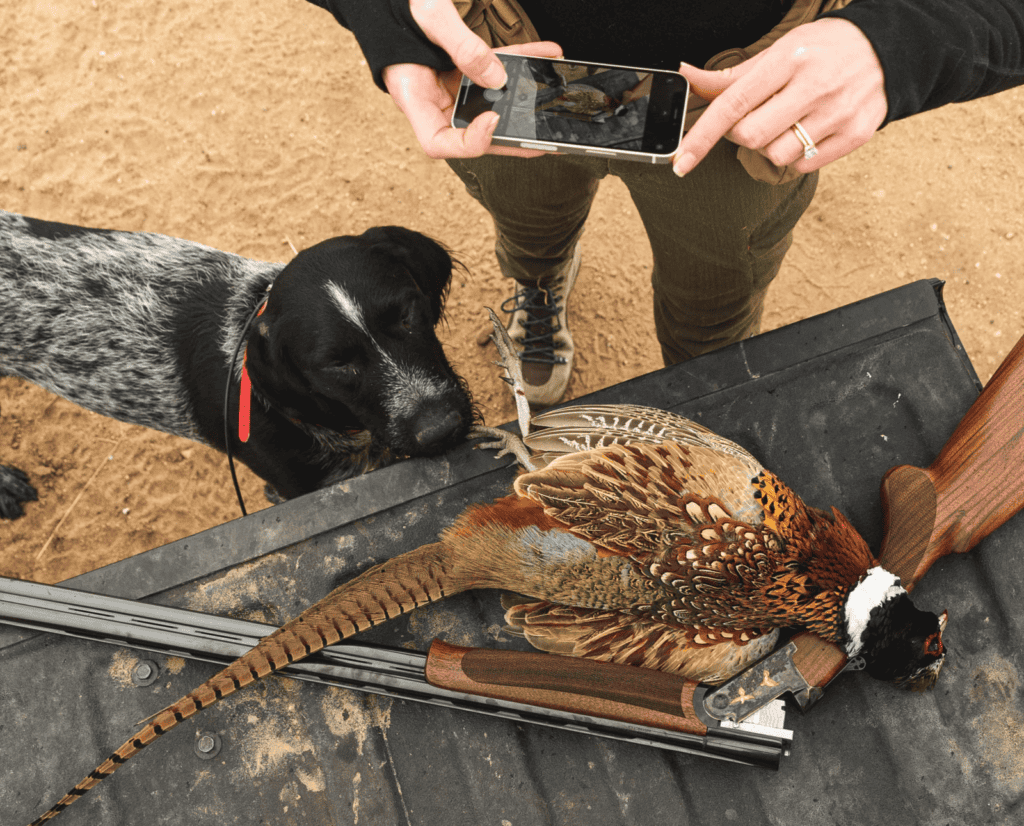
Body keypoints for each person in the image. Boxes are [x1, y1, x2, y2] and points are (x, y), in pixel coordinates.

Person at [308, 0, 1024, 406]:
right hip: (508, 61)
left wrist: (904, 42)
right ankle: (539, 290)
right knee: (529, 228)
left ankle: (700, 387)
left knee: (715, 293)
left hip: (746, 87)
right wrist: (385, 13)